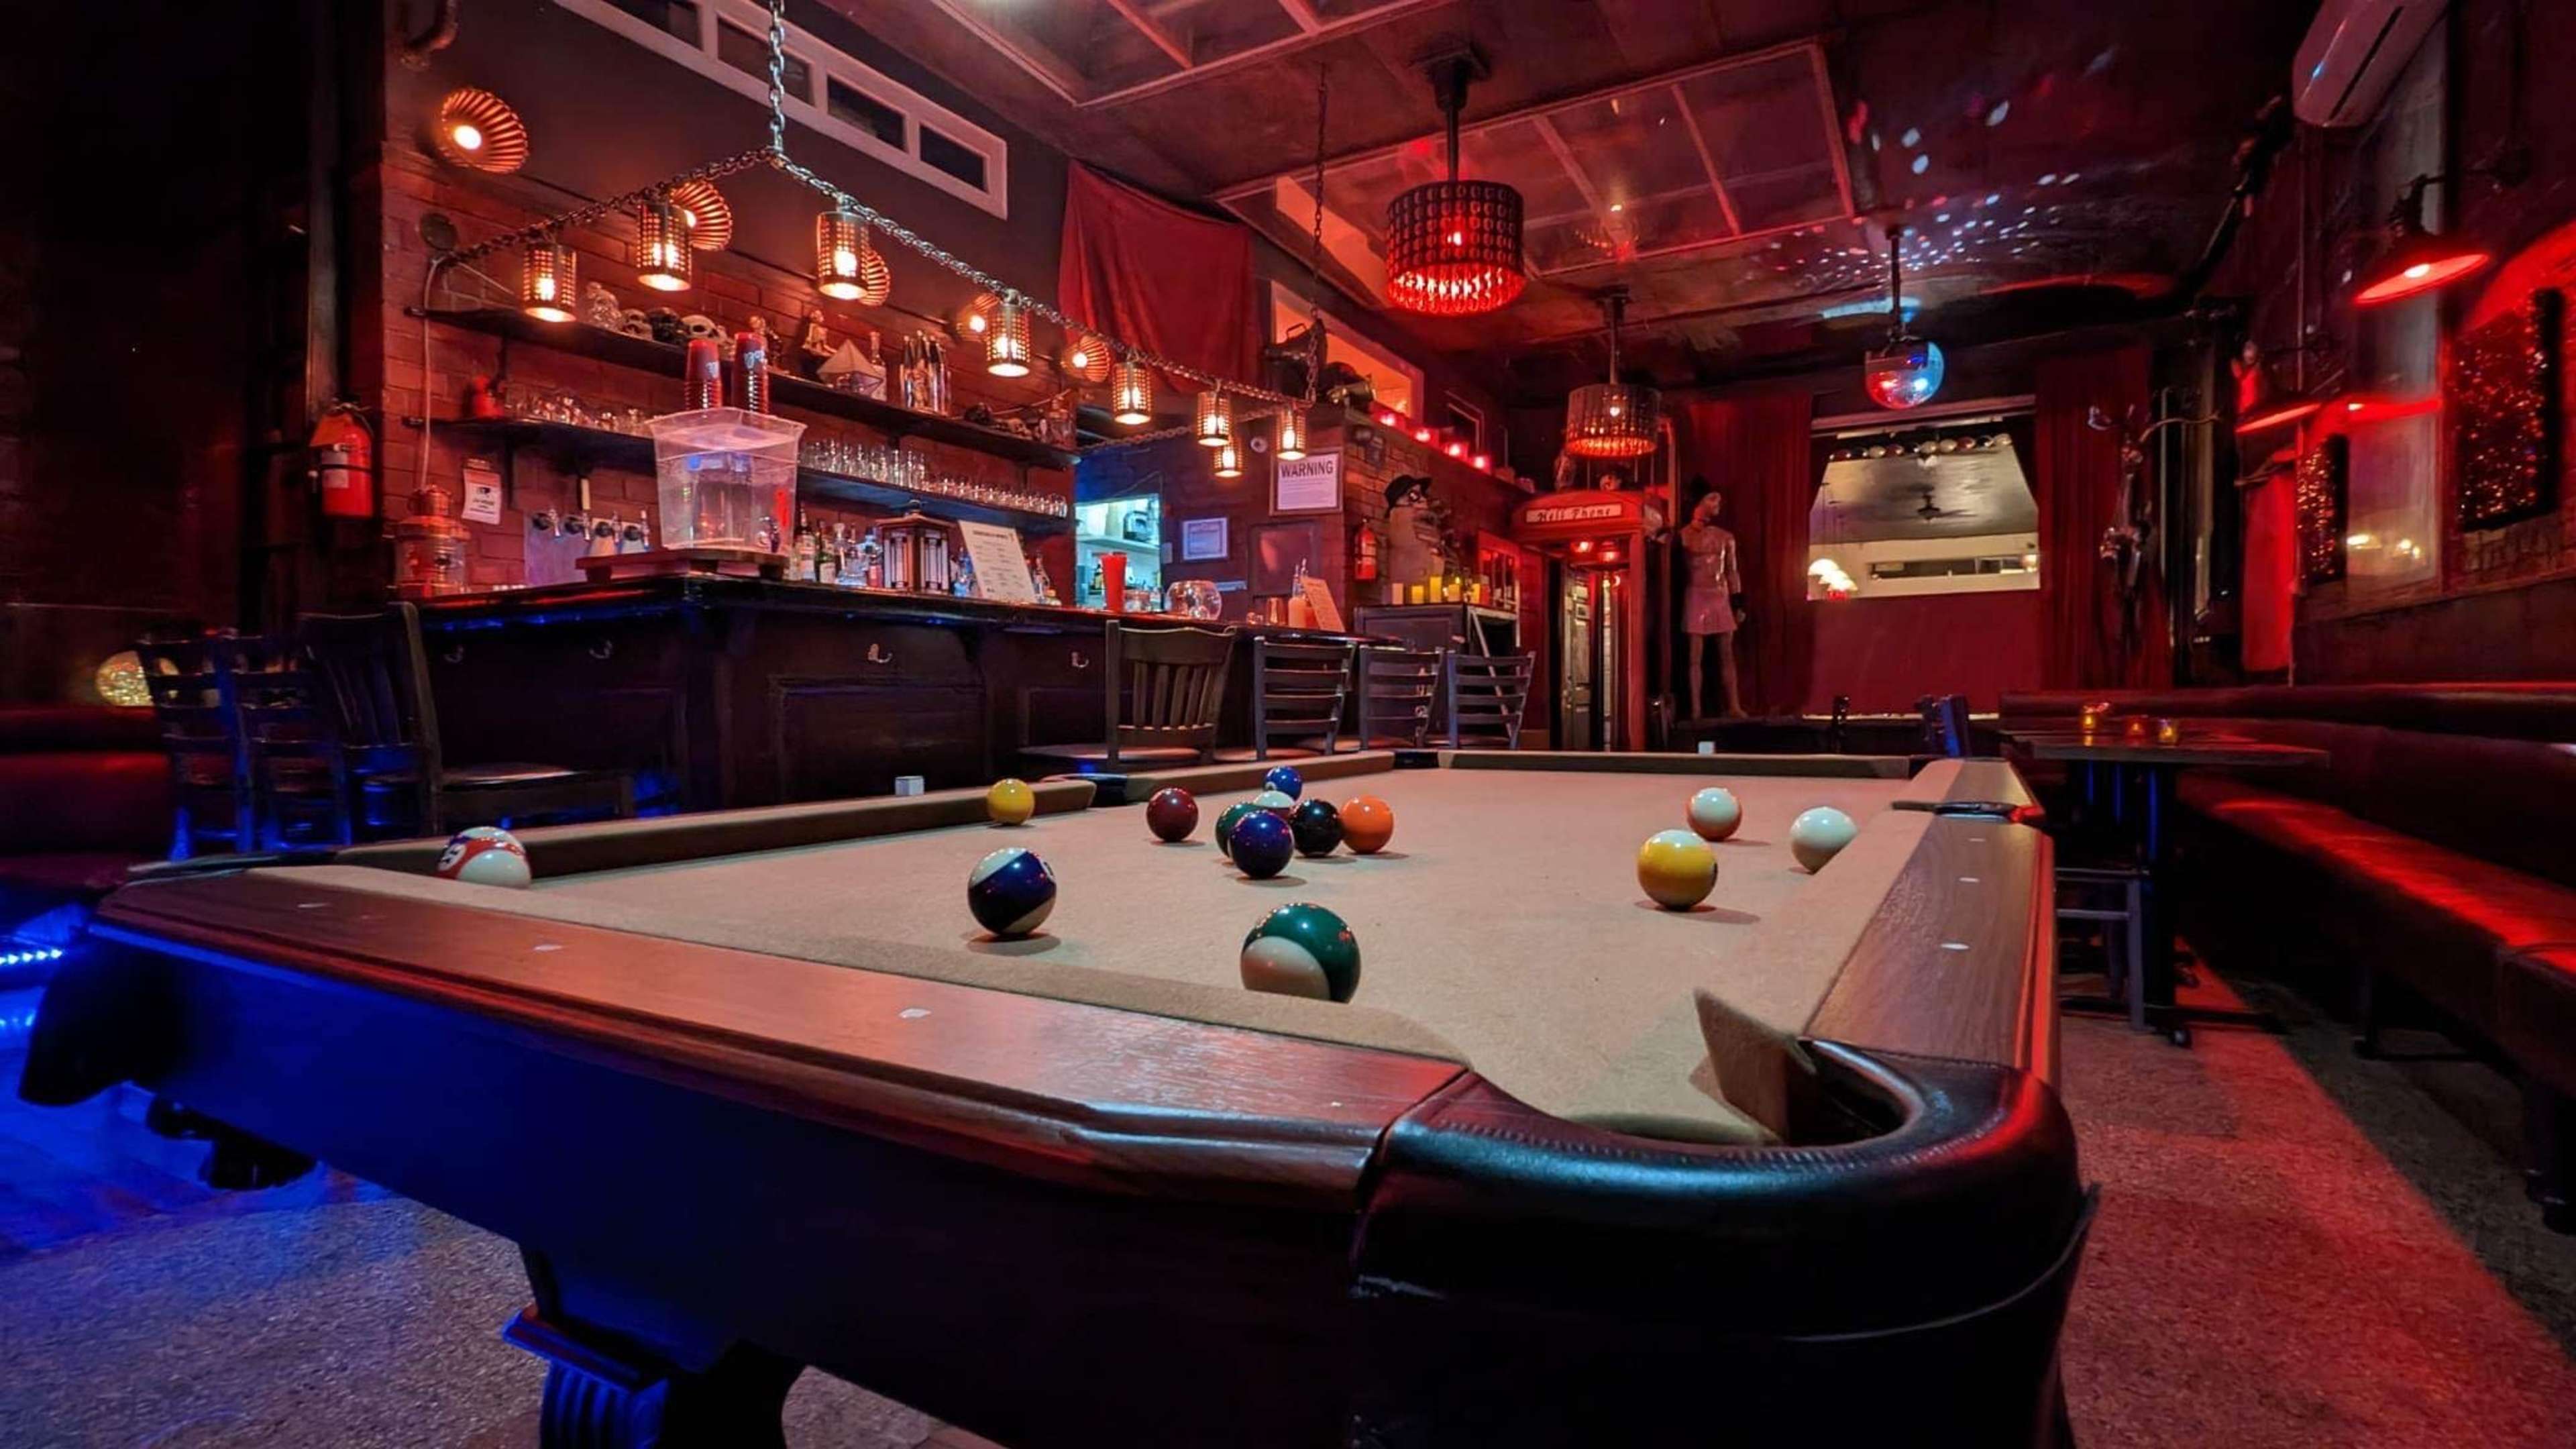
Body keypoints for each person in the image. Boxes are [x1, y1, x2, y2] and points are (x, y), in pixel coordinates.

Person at [1680, 484, 1747, 718]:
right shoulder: (1683, 536)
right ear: (1699, 503)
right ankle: (1696, 708)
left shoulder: (1725, 537)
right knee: (1694, 656)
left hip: (1719, 593)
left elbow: (1732, 571)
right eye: (1712, 500)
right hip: (1696, 593)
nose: (1717, 504)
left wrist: (1738, 603)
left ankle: (1734, 705)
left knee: (1726, 654)